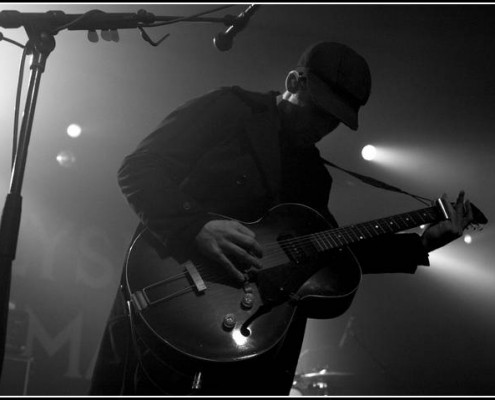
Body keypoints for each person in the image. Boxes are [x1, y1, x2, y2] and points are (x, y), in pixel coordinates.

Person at [89, 41, 473, 395]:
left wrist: (418, 245)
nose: (322, 127)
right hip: (169, 302)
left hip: (247, 347)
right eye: (318, 111)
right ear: (294, 81)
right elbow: (138, 170)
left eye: (334, 120)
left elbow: (326, 253)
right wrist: (194, 226)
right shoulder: (229, 110)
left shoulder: (314, 175)